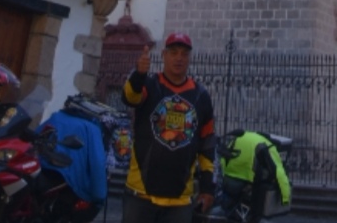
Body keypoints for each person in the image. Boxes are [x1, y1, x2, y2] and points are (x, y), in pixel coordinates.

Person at [122, 32, 216, 222]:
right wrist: (139, 75)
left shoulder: (201, 96)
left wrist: (207, 189)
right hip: (140, 194)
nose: (178, 58)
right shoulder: (149, 85)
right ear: (164, 55)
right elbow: (129, 97)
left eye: (184, 53)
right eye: (173, 52)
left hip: (179, 200)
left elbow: (207, 146)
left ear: (189, 58)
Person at [217, 130, 290, 222]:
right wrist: (285, 198)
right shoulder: (264, 145)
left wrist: (226, 173)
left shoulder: (239, 138)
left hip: (230, 178)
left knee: (231, 207)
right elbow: (278, 171)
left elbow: (225, 157)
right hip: (247, 181)